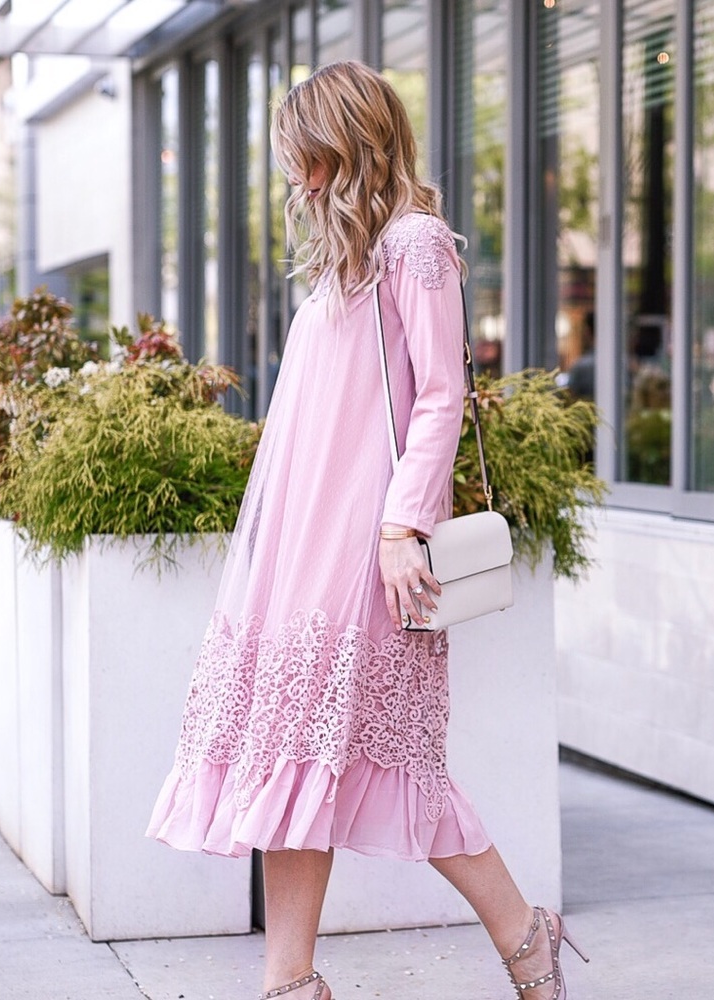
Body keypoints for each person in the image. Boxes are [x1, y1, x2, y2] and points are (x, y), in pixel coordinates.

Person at [146, 60, 586, 1000]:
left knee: (396, 764)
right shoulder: (348, 258)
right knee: (289, 758)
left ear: (356, 147)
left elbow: (439, 393)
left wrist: (400, 529)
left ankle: (523, 935)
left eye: (313, 159)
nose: (301, 181)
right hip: (306, 542)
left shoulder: (417, 244)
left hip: (369, 545)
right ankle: (290, 983)